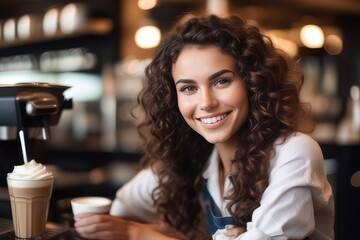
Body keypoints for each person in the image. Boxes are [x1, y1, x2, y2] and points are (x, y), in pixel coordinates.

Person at [73, 14, 335, 240]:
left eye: (221, 81)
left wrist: (136, 233)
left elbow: (127, 227)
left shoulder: (295, 152)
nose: (206, 103)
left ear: (252, 82)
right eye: (188, 88)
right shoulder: (194, 161)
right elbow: (123, 207)